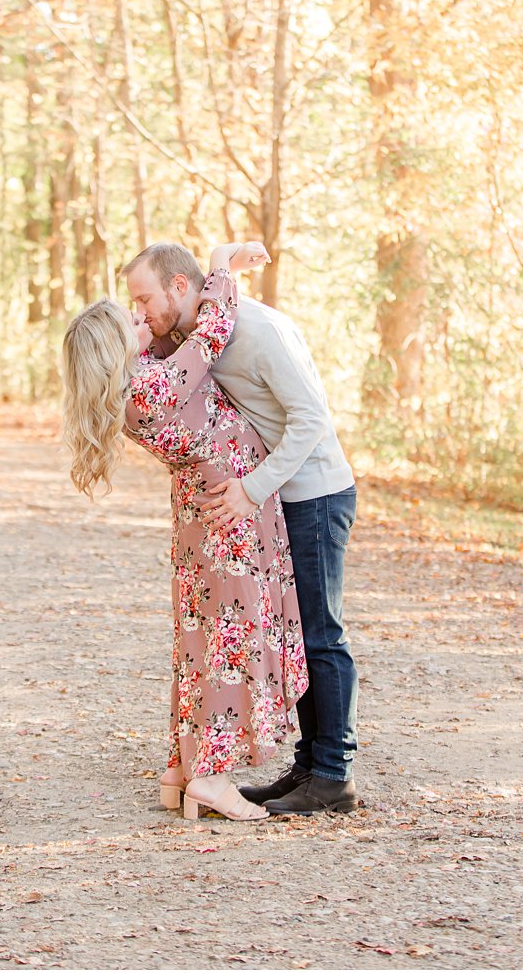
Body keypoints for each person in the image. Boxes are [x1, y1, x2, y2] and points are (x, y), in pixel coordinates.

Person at [61, 241, 307, 821]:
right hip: (227, 514)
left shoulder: (135, 384)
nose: (140, 314)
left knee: (199, 644)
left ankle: (181, 768)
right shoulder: (157, 384)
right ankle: (215, 778)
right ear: (114, 347)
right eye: (130, 316)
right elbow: (213, 327)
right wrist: (220, 265)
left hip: (202, 514)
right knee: (231, 643)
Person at [124, 241, 360, 815]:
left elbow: (312, 419)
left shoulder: (256, 330)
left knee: (319, 635)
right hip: (273, 498)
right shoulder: (186, 337)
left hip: (314, 493)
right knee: (291, 632)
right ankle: (305, 767)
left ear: (182, 288)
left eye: (144, 298)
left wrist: (252, 487)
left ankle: (333, 773)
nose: (139, 312)